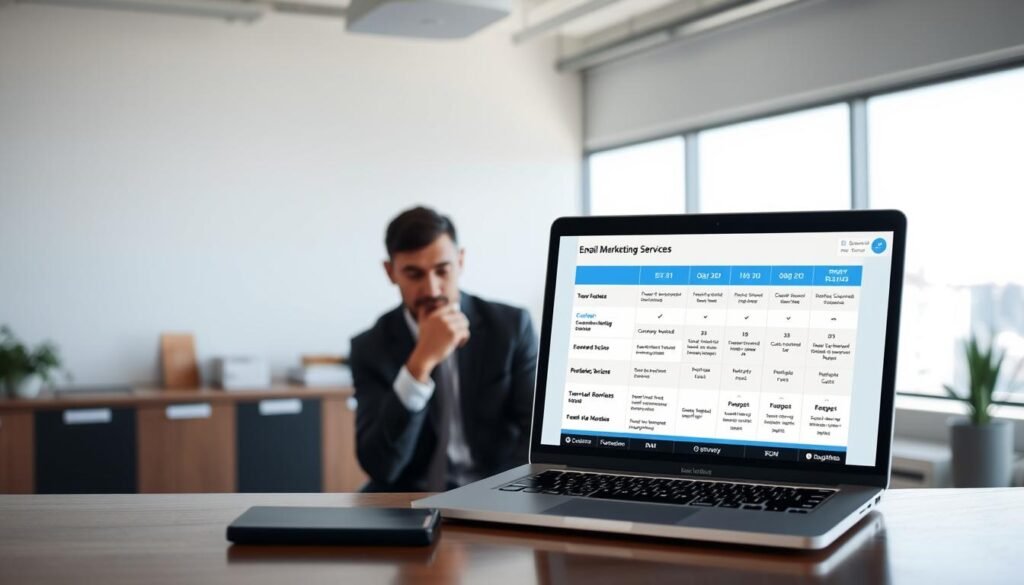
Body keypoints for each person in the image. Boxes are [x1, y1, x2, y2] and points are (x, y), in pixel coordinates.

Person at [350, 206, 538, 492]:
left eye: (442, 270)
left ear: (460, 261)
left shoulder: (510, 327)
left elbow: (535, 435)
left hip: (496, 490)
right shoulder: (370, 347)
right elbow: (381, 466)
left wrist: (495, 494)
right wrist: (419, 365)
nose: (432, 289)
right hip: (411, 500)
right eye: (414, 274)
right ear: (390, 272)